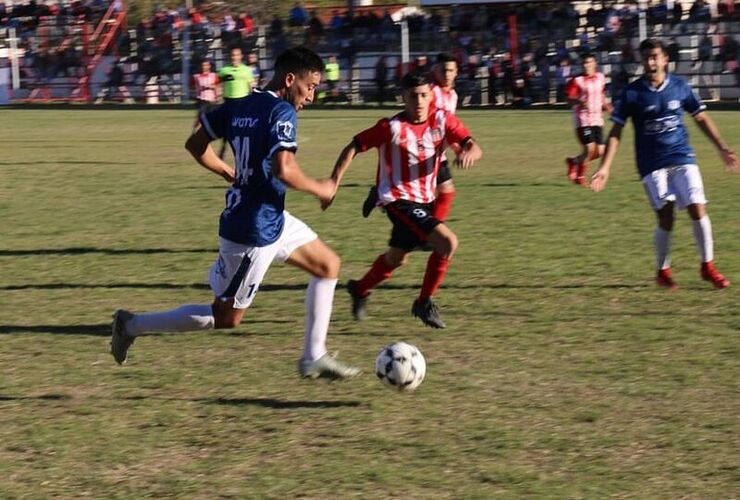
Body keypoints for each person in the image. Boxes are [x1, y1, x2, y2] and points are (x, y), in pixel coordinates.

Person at [110, 47, 360, 380]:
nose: (312, 96)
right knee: (225, 317)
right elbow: (284, 169)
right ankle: (131, 325)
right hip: (252, 231)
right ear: (289, 79)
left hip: (272, 219)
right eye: (310, 86)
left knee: (328, 265)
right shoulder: (282, 111)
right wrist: (322, 188)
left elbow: (195, 145)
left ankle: (314, 356)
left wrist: (229, 172)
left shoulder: (239, 103)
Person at [327, 71, 482, 329]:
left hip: (424, 199)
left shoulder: (443, 120)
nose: (419, 102)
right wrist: (334, 182)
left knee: (397, 257)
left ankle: (360, 289)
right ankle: (424, 302)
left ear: (431, 96)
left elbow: (473, 145)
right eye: (413, 96)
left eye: (423, 95)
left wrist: (469, 154)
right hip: (398, 200)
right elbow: (354, 145)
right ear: (403, 98)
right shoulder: (391, 128)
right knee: (447, 243)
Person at [591, 38, 739, 290]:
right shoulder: (632, 93)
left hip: (682, 155)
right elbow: (616, 131)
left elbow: (700, 117)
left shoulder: (680, 87)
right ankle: (663, 270)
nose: (651, 61)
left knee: (698, 207)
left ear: (665, 59)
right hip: (651, 163)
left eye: (655, 56)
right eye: (646, 57)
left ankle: (708, 266)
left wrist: (722, 147)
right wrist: (605, 167)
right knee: (666, 217)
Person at [362, 53, 460, 222]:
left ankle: (429, 230)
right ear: (435, 71)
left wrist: (458, 147)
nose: (447, 74)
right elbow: (425, 118)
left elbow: (448, 127)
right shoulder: (432, 92)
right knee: (443, 190)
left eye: (451, 70)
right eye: (444, 70)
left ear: (456, 72)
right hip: (424, 147)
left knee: (442, 191)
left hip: (436, 152)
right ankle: (431, 232)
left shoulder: (453, 95)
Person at [564, 53, 612, 186]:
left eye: (589, 62)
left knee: (600, 151)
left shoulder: (601, 77)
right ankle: (580, 177)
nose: (586, 65)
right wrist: (578, 101)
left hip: (597, 119)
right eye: (584, 63)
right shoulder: (577, 80)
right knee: (590, 149)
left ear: (594, 64)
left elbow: (602, 95)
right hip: (583, 120)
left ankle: (574, 161)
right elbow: (568, 99)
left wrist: (608, 107)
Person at [218, 47, 253, 158]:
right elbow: (218, 84)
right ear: (230, 56)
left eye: (237, 55)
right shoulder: (224, 70)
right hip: (228, 101)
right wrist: (218, 95)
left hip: (242, 102)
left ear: (241, 56)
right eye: (233, 55)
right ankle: (224, 146)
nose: (235, 57)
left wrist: (253, 100)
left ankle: (242, 150)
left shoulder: (246, 70)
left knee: (241, 127)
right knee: (227, 126)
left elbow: (251, 86)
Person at [192, 59, 220, 131]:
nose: (204, 67)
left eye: (206, 65)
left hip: (211, 101)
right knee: (200, 118)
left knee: (210, 120)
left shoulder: (213, 76)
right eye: (203, 65)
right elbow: (192, 86)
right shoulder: (197, 77)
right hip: (202, 100)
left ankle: (207, 137)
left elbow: (217, 87)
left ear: (209, 66)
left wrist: (217, 97)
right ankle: (195, 132)